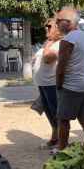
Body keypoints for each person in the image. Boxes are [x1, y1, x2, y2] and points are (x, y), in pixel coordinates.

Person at [54, 8, 84, 152]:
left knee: (63, 120)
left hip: (72, 86)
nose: (57, 23)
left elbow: (61, 66)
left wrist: (58, 85)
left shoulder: (68, 39)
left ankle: (62, 150)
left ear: (70, 22)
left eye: (59, 20)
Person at [32, 18, 62, 148]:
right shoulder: (49, 43)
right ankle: (55, 137)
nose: (46, 28)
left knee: (56, 113)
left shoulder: (59, 44)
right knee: (50, 113)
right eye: (45, 26)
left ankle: (62, 141)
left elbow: (47, 59)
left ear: (58, 29)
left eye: (49, 26)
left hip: (52, 84)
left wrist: (48, 44)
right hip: (43, 84)